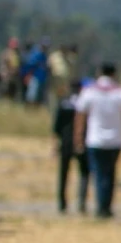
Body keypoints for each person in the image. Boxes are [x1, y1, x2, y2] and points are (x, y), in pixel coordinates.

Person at [74, 64, 121, 217]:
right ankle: (105, 205)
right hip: (115, 140)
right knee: (110, 174)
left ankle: (102, 206)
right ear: (114, 74)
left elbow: (80, 117)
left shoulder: (89, 92)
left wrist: (78, 137)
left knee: (99, 174)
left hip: (95, 140)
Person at [51, 78, 81, 211]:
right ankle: (81, 201)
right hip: (80, 142)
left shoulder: (63, 103)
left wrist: (53, 145)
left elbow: (56, 127)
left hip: (65, 141)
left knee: (63, 174)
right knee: (84, 173)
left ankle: (62, 202)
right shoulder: (83, 103)